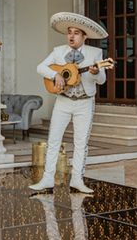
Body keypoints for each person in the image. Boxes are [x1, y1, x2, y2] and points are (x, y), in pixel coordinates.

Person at [29, 12, 108, 194]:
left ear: (84, 36)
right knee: (53, 140)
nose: (71, 36)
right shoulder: (58, 51)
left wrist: (96, 72)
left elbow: (102, 80)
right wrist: (55, 74)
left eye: (76, 33)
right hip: (63, 101)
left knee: (81, 142)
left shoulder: (95, 53)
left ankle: (77, 180)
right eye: (69, 32)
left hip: (85, 102)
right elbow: (40, 67)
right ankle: (47, 180)